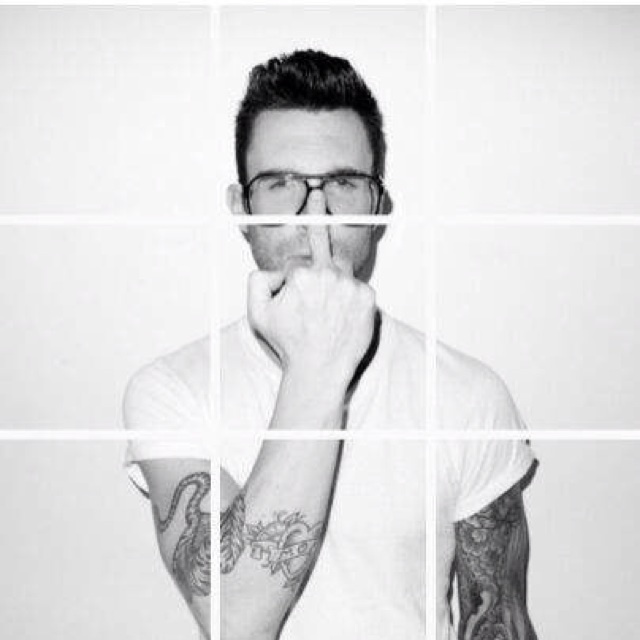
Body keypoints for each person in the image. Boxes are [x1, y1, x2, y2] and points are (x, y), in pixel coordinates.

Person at [123, 49, 537, 640]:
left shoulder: (468, 394)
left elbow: (497, 621)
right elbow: (236, 620)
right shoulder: (173, 390)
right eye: (280, 184)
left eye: (343, 184)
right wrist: (317, 366)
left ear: (377, 205)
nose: (314, 215)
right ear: (241, 209)